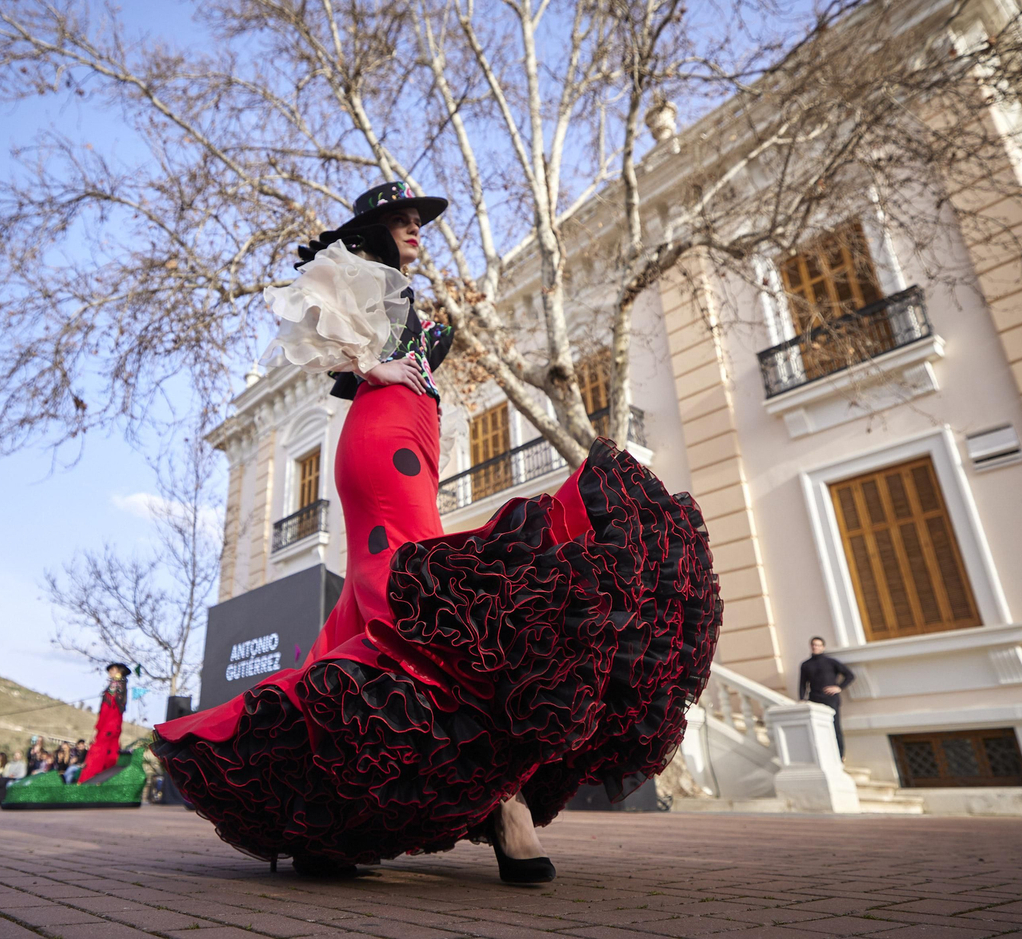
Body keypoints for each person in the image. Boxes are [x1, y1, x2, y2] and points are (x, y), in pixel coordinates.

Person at [152, 183, 720, 883]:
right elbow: (314, 314)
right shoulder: (363, 274)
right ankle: (505, 811)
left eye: (418, 219)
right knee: (424, 602)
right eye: (402, 218)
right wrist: (370, 367)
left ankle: (337, 814)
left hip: (410, 438)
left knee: (405, 606)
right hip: (382, 436)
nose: (415, 227)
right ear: (374, 229)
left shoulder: (400, 291)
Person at [799, 636, 857, 758]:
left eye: (818, 645)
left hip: (831, 699)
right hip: (814, 699)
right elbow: (803, 684)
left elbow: (850, 675)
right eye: (813, 645)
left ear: (823, 647)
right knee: (818, 729)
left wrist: (839, 687)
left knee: (835, 727)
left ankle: (840, 756)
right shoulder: (805, 665)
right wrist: (802, 699)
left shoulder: (831, 662)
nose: (815, 647)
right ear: (811, 646)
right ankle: (824, 755)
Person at [77, 664, 129, 784]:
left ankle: (86, 782)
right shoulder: (123, 689)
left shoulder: (111, 690)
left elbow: (105, 711)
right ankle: (104, 783)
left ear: (119, 672)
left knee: (96, 754)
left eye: (113, 670)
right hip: (116, 728)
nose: (110, 672)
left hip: (107, 728)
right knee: (110, 756)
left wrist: (96, 729)